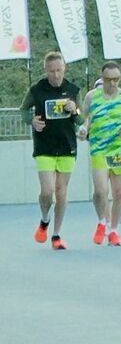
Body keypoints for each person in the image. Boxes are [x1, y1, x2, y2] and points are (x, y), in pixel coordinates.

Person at [22, 50, 82, 249]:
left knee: (61, 192)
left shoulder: (73, 89)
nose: (56, 75)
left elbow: (81, 119)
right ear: (45, 70)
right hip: (44, 146)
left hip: (67, 146)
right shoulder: (37, 89)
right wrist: (31, 121)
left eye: (59, 70)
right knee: (47, 191)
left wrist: (75, 110)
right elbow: (23, 110)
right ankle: (44, 219)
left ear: (64, 69)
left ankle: (56, 235)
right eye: (51, 71)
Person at [79, 63, 121, 245]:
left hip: (119, 150)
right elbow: (84, 118)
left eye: (116, 80)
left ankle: (114, 230)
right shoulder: (92, 97)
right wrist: (83, 130)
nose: (113, 84)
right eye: (109, 80)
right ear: (102, 78)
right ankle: (102, 222)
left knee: (118, 193)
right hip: (99, 148)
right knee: (100, 191)